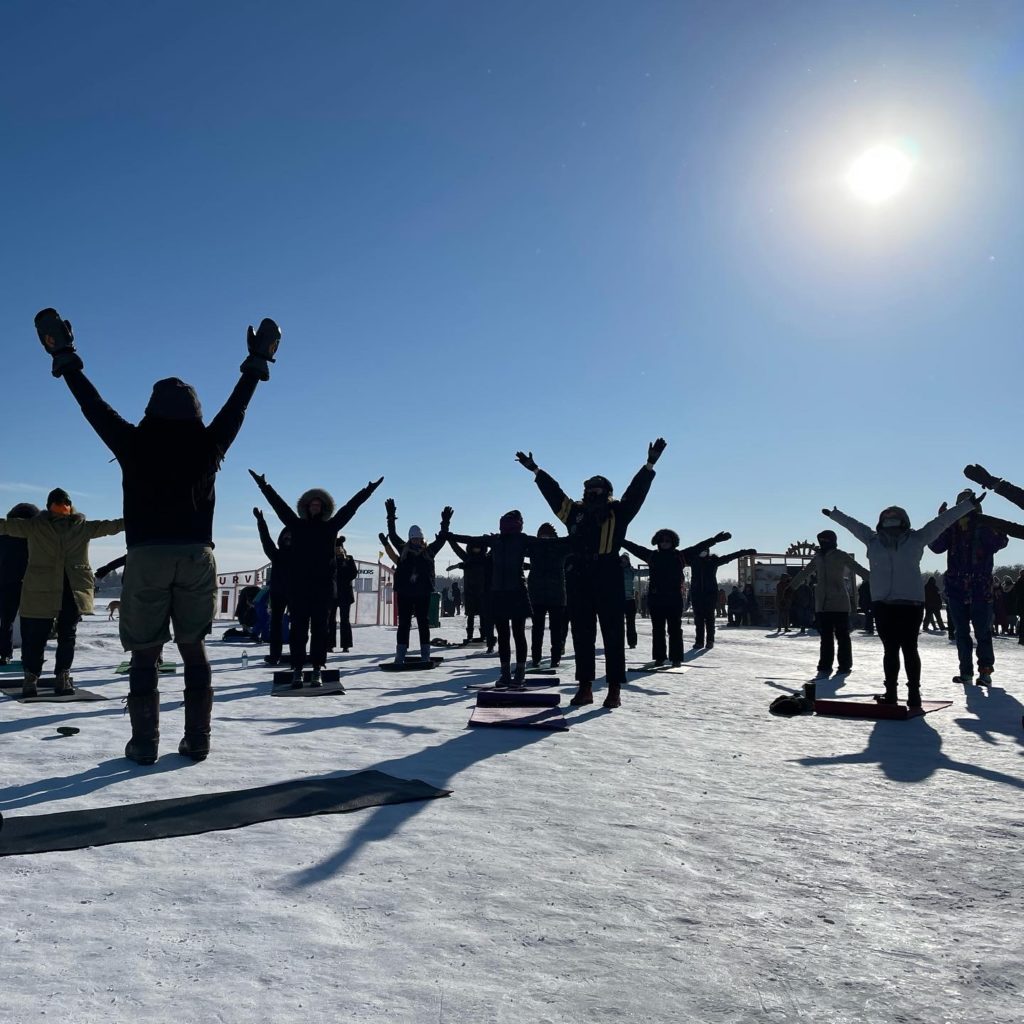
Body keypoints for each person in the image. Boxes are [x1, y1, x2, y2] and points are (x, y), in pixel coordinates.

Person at [38, 309, 280, 763]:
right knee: (194, 648)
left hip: (147, 556)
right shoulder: (208, 444)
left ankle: (145, 742)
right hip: (195, 555)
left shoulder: (133, 442)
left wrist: (66, 357)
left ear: (151, 409)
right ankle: (198, 738)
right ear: (194, 411)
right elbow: (237, 407)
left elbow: (94, 407)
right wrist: (255, 364)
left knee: (146, 654)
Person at [516, 439, 667, 708]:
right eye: (587, 489)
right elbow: (555, 495)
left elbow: (636, 492)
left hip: (607, 572)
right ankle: (585, 687)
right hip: (579, 574)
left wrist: (650, 464)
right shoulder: (574, 513)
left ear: (606, 492)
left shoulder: (618, 512)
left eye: (596, 489)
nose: (590, 493)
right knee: (582, 634)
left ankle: (614, 689)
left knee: (612, 634)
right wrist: (537, 471)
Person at [824, 495, 978, 706]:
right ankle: (892, 693)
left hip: (910, 603)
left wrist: (968, 505)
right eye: (887, 520)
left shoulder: (916, 538)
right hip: (884, 604)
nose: (890, 525)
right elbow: (854, 526)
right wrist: (836, 515)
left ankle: (914, 693)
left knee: (908, 648)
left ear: (904, 522)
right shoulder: (872, 539)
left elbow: (942, 522)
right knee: (892, 650)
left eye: (894, 520)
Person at [251, 472, 382, 686]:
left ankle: (317, 669)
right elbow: (279, 506)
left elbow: (350, 508)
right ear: (306, 507)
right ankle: (297, 669)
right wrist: (264, 485)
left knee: (320, 631)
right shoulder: (296, 526)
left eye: (318, 505)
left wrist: (368, 490)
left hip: (322, 589)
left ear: (323, 508)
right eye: (311, 505)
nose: (314, 508)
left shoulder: (330, 528)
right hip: (299, 587)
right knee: (298, 631)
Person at [0, 490, 123, 696]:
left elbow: (5, 525)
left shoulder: (39, 526)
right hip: (59, 589)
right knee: (61, 636)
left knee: (43, 636)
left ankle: (38, 677)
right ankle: (53, 677)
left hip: (59, 590)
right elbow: (113, 526)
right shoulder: (74, 527)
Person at [449, 511, 557, 685]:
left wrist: (449, 534)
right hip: (506, 593)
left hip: (509, 592)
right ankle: (509, 673)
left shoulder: (506, 540)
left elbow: (471, 539)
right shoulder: (505, 540)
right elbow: (471, 540)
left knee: (512, 635)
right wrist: (449, 534)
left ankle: (514, 673)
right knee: (512, 635)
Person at [927, 489, 1017, 685]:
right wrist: (942, 521)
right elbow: (934, 546)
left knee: (982, 632)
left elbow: (1002, 541)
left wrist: (989, 525)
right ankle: (966, 672)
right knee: (961, 633)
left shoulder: (984, 525)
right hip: (957, 589)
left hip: (980, 589)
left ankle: (985, 672)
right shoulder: (951, 527)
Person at [622, 529, 731, 666]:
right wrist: (619, 538)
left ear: (673, 542)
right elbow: (634, 548)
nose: (664, 543)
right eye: (662, 540)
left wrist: (715, 540)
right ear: (657, 542)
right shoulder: (652, 556)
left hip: (674, 599)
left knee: (675, 629)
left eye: (667, 540)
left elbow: (698, 547)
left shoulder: (680, 556)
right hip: (656, 599)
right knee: (658, 629)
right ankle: (659, 657)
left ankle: (676, 658)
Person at [786, 529, 869, 677]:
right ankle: (825, 664)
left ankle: (844, 665)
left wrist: (877, 580)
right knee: (825, 637)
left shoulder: (840, 555)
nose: (823, 544)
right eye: (821, 541)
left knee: (842, 636)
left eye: (825, 541)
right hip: (822, 604)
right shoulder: (818, 558)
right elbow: (805, 572)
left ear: (832, 541)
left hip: (839, 602)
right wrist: (792, 586)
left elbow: (859, 569)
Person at [386, 498, 453, 664]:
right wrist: (391, 516)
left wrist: (445, 523)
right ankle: (400, 653)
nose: (417, 541)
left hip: (422, 593)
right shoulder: (403, 550)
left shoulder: (429, 552)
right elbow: (393, 536)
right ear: (410, 539)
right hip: (405, 592)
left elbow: (442, 540)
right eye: (414, 539)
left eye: (419, 539)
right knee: (404, 624)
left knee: (424, 623)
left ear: (422, 539)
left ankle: (425, 653)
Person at [688, 546, 754, 649]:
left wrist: (744, 552)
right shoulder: (694, 561)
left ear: (708, 552)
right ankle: (699, 642)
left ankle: (710, 640)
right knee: (699, 620)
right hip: (697, 595)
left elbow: (729, 557)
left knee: (710, 619)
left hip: (710, 594)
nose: (703, 553)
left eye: (704, 551)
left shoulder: (713, 561)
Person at [527, 522, 573, 667]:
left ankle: (556, 656)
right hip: (538, 594)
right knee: (537, 628)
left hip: (556, 594)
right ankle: (536, 657)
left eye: (548, 535)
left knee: (556, 628)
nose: (545, 538)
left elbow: (574, 543)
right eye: (542, 535)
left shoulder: (560, 547)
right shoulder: (534, 547)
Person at [0, 502, 38, 666]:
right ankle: (28, 655)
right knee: (31, 621)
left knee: (6, 621)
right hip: (28, 582)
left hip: (6, 581)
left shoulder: (4, 533)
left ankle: (5, 654)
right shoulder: (34, 535)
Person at [254, 507, 292, 666]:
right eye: (286, 536)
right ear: (281, 538)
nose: (288, 538)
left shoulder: (302, 554)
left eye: (291, 536)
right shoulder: (276, 554)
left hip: (297, 592)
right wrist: (261, 522)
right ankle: (274, 655)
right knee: (275, 624)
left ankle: (298, 654)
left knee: (299, 624)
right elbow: (266, 540)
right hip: (278, 593)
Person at [447, 536, 494, 648]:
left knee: (483, 616)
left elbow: (495, 548)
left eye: (478, 548)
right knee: (471, 616)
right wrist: (450, 539)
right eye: (474, 548)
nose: (476, 550)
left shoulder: (485, 558)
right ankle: (470, 635)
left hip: (483, 592)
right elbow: (457, 549)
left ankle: (483, 635)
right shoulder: (469, 558)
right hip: (471, 592)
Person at [328, 536, 358, 652]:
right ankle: (329, 644)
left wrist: (343, 577)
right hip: (333, 594)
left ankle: (346, 645)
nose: (338, 550)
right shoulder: (330, 559)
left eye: (339, 547)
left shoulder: (349, 559)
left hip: (345, 594)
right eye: (335, 548)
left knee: (345, 620)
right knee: (331, 620)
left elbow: (353, 573)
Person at [621, 554, 638, 649]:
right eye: (622, 560)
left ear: (628, 561)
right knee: (618, 623)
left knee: (631, 623)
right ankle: (618, 641)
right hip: (619, 600)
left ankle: (632, 642)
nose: (623, 562)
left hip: (630, 599)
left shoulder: (631, 571)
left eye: (625, 560)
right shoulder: (616, 570)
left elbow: (641, 572)